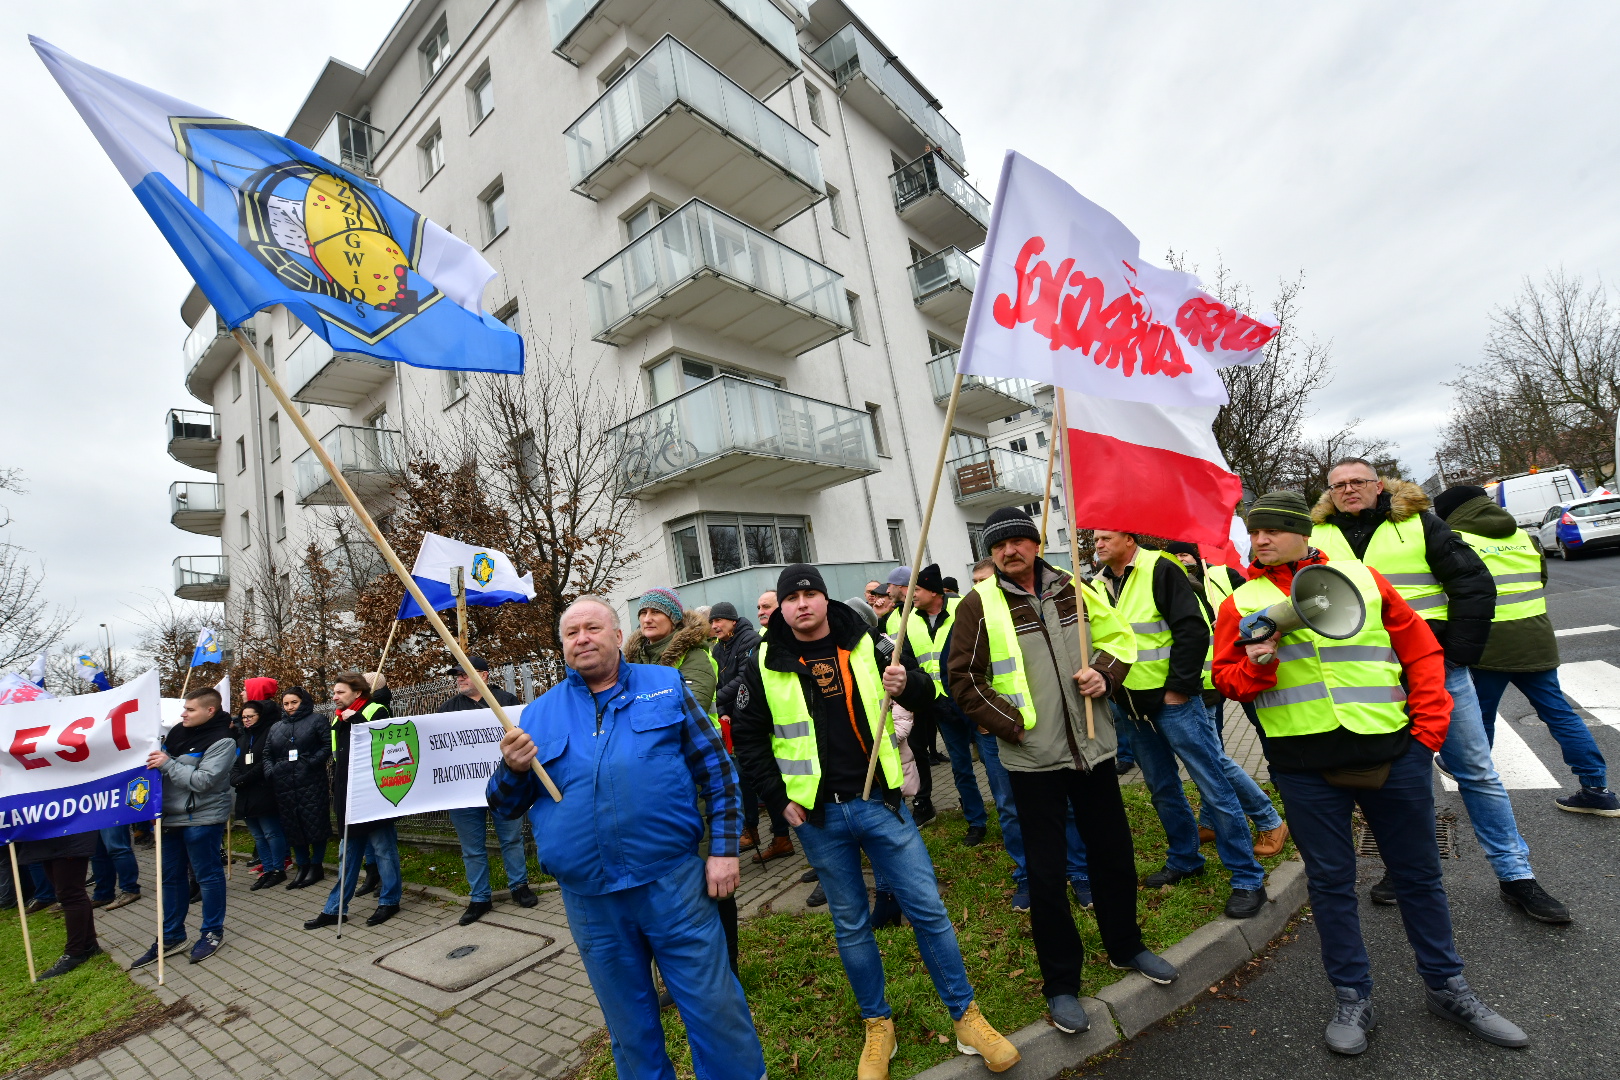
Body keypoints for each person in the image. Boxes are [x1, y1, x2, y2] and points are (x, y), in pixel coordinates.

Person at [1213, 489, 1528, 1054]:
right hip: (1302, 764)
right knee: (1331, 883)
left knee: (1419, 876)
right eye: (1254, 531)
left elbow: (1421, 653)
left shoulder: (1363, 579)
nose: (1259, 540)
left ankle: (1448, 987)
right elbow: (1226, 680)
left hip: (1392, 752)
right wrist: (1257, 665)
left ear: (1303, 533)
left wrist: (1427, 734)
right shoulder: (1241, 602)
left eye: (1272, 530)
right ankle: (1352, 997)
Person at [733, 563, 1021, 1078]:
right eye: (791, 597)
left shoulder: (869, 640)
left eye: (810, 594)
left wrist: (908, 683)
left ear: (825, 599)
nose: (802, 604)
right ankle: (877, 1025)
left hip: (881, 804)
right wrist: (778, 799)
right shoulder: (764, 660)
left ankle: (966, 1017)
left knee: (927, 910)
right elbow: (749, 738)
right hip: (818, 816)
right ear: (782, 607)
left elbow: (928, 695)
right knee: (850, 924)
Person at [488, 596, 766, 1080]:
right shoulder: (537, 715)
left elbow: (718, 772)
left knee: (713, 1005)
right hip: (591, 901)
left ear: (618, 637)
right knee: (629, 1025)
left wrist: (723, 851)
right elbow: (504, 804)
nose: (582, 638)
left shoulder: (665, 687)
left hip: (673, 886)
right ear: (563, 646)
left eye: (593, 628)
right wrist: (511, 769)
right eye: (571, 632)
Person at [951, 507, 1178, 1036]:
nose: (1009, 551)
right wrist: (1013, 725)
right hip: (1032, 759)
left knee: (1113, 854)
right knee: (1047, 874)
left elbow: (1119, 639)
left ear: (1035, 543)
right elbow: (964, 679)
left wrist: (1104, 675)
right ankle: (1060, 983)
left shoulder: (1074, 586)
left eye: (1017, 541)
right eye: (998, 545)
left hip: (1094, 748)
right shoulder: (978, 604)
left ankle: (1125, 945)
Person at [1312, 459, 1568, 921]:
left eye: (1358, 482)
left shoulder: (1420, 524)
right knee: (1390, 780)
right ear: (1329, 493)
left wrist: (1457, 653)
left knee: (1476, 771)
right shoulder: (1318, 538)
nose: (1348, 490)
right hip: (1366, 677)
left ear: (1377, 485)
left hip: (1434, 670)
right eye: (1339, 485)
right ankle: (1402, 868)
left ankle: (1517, 875)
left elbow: (1473, 583)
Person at [1093, 530, 1271, 919]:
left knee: (1213, 784)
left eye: (1106, 537)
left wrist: (1177, 688)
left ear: (1128, 538)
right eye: (1095, 538)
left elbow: (1192, 630)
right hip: (1130, 706)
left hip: (1172, 702)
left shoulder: (1160, 568)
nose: (1098, 544)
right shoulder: (1097, 583)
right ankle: (1185, 859)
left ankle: (1247, 878)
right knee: (1162, 788)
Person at [1433, 485, 1616, 816]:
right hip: (1536, 638)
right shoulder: (1523, 536)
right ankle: (1597, 789)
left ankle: (1472, 777)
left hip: (1488, 644)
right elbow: (1540, 580)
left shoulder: (1455, 540)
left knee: (1478, 716)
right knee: (1560, 714)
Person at [1161, 540, 1289, 855]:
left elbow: (1251, 614)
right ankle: (1210, 821)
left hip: (1206, 683)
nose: (1180, 559)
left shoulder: (1213, 577)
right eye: (1174, 555)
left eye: (1184, 553)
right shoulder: (1176, 583)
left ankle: (1269, 818)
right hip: (1205, 681)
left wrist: (1230, 628)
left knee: (1212, 758)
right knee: (1211, 754)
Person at [131, 686, 235, 969]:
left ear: (210, 710)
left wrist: (167, 764)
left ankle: (212, 932)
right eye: (184, 709)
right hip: (169, 818)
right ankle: (171, 936)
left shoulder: (223, 740)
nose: (183, 714)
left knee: (207, 876)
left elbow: (204, 780)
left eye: (190, 709)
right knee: (170, 878)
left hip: (201, 818)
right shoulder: (177, 732)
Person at [435, 655, 535, 924]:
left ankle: (519, 886)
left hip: (504, 786)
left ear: (484, 675)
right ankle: (480, 897)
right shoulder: (447, 709)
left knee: (511, 839)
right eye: (457, 675)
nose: (460, 678)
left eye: (464, 673)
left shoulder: (506, 701)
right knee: (472, 847)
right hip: (463, 792)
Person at [899, 564, 991, 845]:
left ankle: (1011, 813)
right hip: (941, 707)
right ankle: (976, 822)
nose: (912, 594)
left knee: (993, 764)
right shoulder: (908, 620)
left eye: (917, 589)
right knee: (961, 768)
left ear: (935, 592)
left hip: (974, 702)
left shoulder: (963, 609)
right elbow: (909, 660)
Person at [304, 672, 403, 929]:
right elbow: (339, 757)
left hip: (373, 794)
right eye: (334, 692)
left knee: (383, 850)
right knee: (347, 854)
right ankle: (335, 908)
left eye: (340, 692)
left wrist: (357, 720)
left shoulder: (376, 710)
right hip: (347, 794)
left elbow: (385, 746)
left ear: (357, 693)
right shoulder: (338, 717)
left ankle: (390, 900)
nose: (335, 697)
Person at [713, 601, 788, 857]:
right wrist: (722, 711)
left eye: (719, 620)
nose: (715, 625)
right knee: (742, 777)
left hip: (757, 719)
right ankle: (752, 829)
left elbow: (743, 678)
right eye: (712, 621)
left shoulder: (750, 640)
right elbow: (719, 681)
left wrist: (717, 699)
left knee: (766, 778)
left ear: (733, 621)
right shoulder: (718, 648)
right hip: (734, 719)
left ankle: (782, 836)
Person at [883, 566, 944, 818]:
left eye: (890, 586)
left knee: (922, 749)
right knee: (912, 749)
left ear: (902, 587)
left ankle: (926, 802)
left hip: (929, 690)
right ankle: (916, 800)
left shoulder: (919, 612)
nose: (886, 591)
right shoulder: (893, 616)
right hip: (903, 693)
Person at [16, 826, 102, 978]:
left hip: (67, 834)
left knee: (70, 895)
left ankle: (74, 952)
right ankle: (88, 945)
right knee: (69, 893)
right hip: (52, 837)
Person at [267, 687, 330, 889]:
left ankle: (316, 866)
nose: (290, 707)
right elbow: (267, 753)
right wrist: (272, 772)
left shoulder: (317, 720)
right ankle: (302, 865)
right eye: (286, 703)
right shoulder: (276, 727)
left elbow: (327, 745)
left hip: (311, 782)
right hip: (284, 785)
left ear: (303, 701)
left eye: (294, 702)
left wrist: (311, 762)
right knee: (293, 827)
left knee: (316, 824)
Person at [233, 699, 289, 890]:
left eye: (251, 716)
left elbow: (265, 761)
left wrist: (245, 778)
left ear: (260, 716)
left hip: (264, 791)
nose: (246, 720)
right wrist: (235, 778)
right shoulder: (242, 737)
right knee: (258, 835)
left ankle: (278, 869)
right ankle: (267, 868)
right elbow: (236, 762)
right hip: (245, 793)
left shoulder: (268, 733)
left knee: (271, 832)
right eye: (244, 717)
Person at [88, 823, 141, 911]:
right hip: (92, 815)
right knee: (97, 853)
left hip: (111, 815)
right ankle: (103, 894)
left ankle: (130, 890)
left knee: (118, 847)